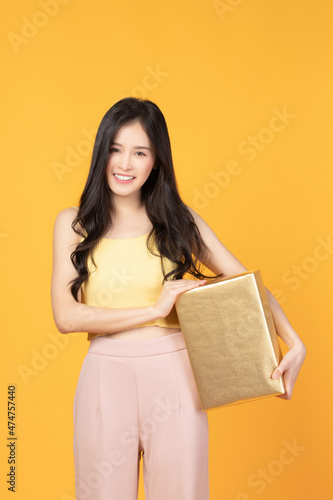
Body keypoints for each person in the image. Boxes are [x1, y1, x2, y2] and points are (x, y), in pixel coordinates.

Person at [51, 97, 306, 500]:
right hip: (104, 378)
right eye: (115, 149)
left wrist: (293, 339)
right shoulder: (75, 223)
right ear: (101, 152)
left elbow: (244, 284)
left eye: (140, 152)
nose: (125, 164)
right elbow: (66, 317)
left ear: (156, 161)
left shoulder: (179, 222)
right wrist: (153, 310)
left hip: (175, 376)